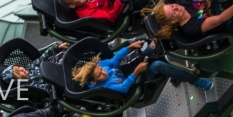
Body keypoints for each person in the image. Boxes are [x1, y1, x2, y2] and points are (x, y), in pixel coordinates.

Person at [71, 40, 213, 92]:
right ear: (94, 81)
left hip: (130, 68)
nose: (103, 72)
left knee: (148, 44)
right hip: (138, 81)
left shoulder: (101, 66)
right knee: (158, 65)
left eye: (101, 69)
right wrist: (136, 73)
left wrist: (129, 47)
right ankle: (196, 81)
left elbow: (114, 61)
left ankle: (189, 45)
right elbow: (122, 88)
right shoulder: (103, 88)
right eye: (100, 75)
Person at [0, 41, 70, 95]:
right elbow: (49, 89)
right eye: (18, 73)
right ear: (18, 80)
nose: (21, 69)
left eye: (18, 67)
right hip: (59, 77)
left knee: (64, 50)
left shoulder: (30, 66)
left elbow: (43, 57)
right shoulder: (31, 86)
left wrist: (56, 47)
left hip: (56, 61)